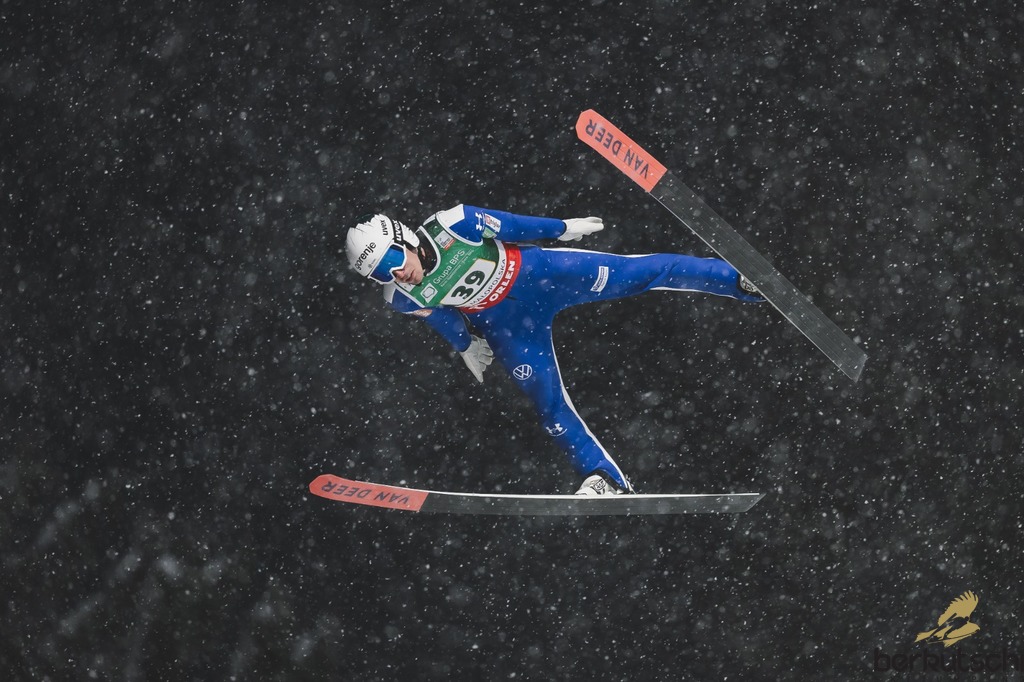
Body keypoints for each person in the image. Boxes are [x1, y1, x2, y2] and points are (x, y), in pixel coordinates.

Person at [345, 205, 762, 495]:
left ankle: (739, 281)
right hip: (507, 326)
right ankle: (606, 479)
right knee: (548, 404)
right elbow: (439, 317)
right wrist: (465, 344)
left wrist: (560, 228)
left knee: (644, 271)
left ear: (403, 237)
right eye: (380, 273)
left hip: (542, 275)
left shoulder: (452, 225)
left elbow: (511, 225)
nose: (396, 273)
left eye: (392, 260)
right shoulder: (400, 296)